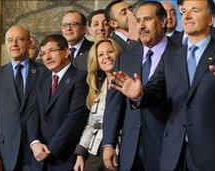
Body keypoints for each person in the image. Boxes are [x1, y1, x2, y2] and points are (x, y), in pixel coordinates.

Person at [110, 0, 215, 170]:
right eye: (184, 12)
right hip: (174, 152)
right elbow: (154, 91)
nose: (186, 16)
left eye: (194, 10)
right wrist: (139, 94)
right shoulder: (172, 56)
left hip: (214, 152)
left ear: (210, 19)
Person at [102, 1, 178, 171]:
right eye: (137, 20)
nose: (141, 26)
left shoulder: (180, 53)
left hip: (166, 147)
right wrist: (108, 143)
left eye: (147, 20)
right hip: (130, 150)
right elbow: (114, 104)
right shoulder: (125, 57)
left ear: (163, 21)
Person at [27, 34, 89, 170]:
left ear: (66, 52)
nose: (47, 57)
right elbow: (32, 115)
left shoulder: (80, 78)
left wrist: (50, 149)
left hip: (64, 158)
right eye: (43, 53)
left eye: (52, 51)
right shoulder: (41, 81)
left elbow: (75, 118)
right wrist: (35, 143)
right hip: (38, 159)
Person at [0, 26, 41, 171]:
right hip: (4, 153)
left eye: (19, 40)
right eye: (10, 40)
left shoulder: (43, 72)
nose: (14, 44)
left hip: (36, 152)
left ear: (29, 43)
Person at [73, 38, 121, 171]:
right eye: (100, 54)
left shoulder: (127, 82)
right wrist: (81, 154)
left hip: (119, 150)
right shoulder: (99, 88)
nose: (106, 56)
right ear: (97, 62)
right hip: (94, 151)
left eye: (110, 51)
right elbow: (92, 123)